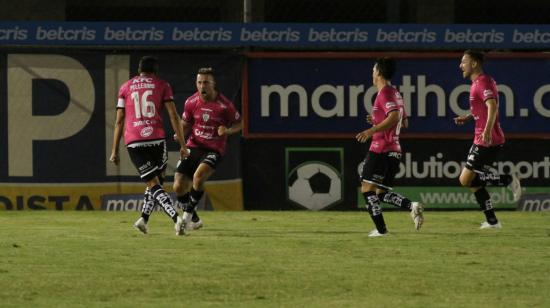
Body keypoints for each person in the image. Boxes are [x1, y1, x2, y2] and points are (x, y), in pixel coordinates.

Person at [110, 55, 190, 236]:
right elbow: (173, 115)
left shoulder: (125, 87)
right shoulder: (163, 85)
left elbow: (119, 121)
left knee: (154, 183)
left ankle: (147, 219)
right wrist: (183, 145)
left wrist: (114, 149)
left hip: (134, 140)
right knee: (157, 181)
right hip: (156, 139)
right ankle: (172, 219)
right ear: (155, 71)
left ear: (139, 70)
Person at [356, 57, 424, 237]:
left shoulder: (385, 93)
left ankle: (381, 231)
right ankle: (412, 206)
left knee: (367, 189)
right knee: (380, 193)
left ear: (378, 72)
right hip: (394, 150)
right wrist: (378, 119)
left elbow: (394, 117)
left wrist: (372, 130)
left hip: (381, 148)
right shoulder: (395, 93)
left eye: (373, 70)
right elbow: (405, 122)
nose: (372, 73)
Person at [454, 50, 521, 229]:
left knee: (465, 179)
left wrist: (487, 130)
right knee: (472, 181)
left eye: (463, 62)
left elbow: (492, 106)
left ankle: (507, 180)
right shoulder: (480, 82)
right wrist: (469, 116)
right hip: (484, 138)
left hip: (486, 139)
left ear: (474, 63)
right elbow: (483, 108)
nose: (460, 65)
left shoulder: (482, 82)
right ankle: (492, 221)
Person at [173, 67, 242, 230]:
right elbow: (187, 123)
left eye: (206, 82)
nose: (202, 86)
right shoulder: (191, 102)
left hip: (214, 149)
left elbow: (240, 123)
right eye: (199, 82)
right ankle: (195, 220)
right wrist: (180, 134)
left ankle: (186, 217)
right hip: (194, 146)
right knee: (178, 186)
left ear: (213, 84)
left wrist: (228, 130)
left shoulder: (224, 105)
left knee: (198, 178)